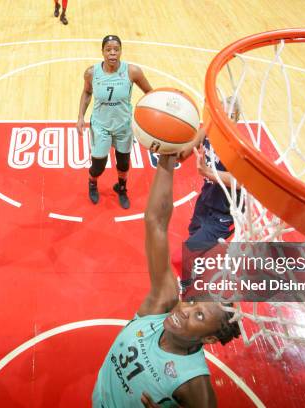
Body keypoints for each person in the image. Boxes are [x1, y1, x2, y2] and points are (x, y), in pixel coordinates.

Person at [92, 154, 241, 407]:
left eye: (200, 316)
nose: (184, 310)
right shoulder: (161, 306)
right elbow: (156, 223)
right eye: (193, 304)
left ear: (209, 340)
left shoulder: (195, 387)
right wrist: (167, 157)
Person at [77, 35, 153, 209]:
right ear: (102, 52)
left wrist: (152, 116)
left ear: (120, 51)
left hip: (123, 125)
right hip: (101, 125)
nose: (112, 53)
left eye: (116, 49)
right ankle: (92, 182)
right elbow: (87, 93)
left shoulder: (132, 71)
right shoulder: (91, 73)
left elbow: (149, 92)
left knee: (124, 162)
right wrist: (80, 116)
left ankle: (121, 187)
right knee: (98, 165)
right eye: (108, 49)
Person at [175, 98, 242, 287]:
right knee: (193, 234)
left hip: (225, 214)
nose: (223, 118)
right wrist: (169, 149)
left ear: (236, 118)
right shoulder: (209, 129)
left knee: (186, 253)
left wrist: (207, 172)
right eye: (220, 112)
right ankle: (196, 265)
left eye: (229, 115)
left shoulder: (239, 146)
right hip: (206, 200)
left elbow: (241, 182)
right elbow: (188, 149)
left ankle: (187, 287)